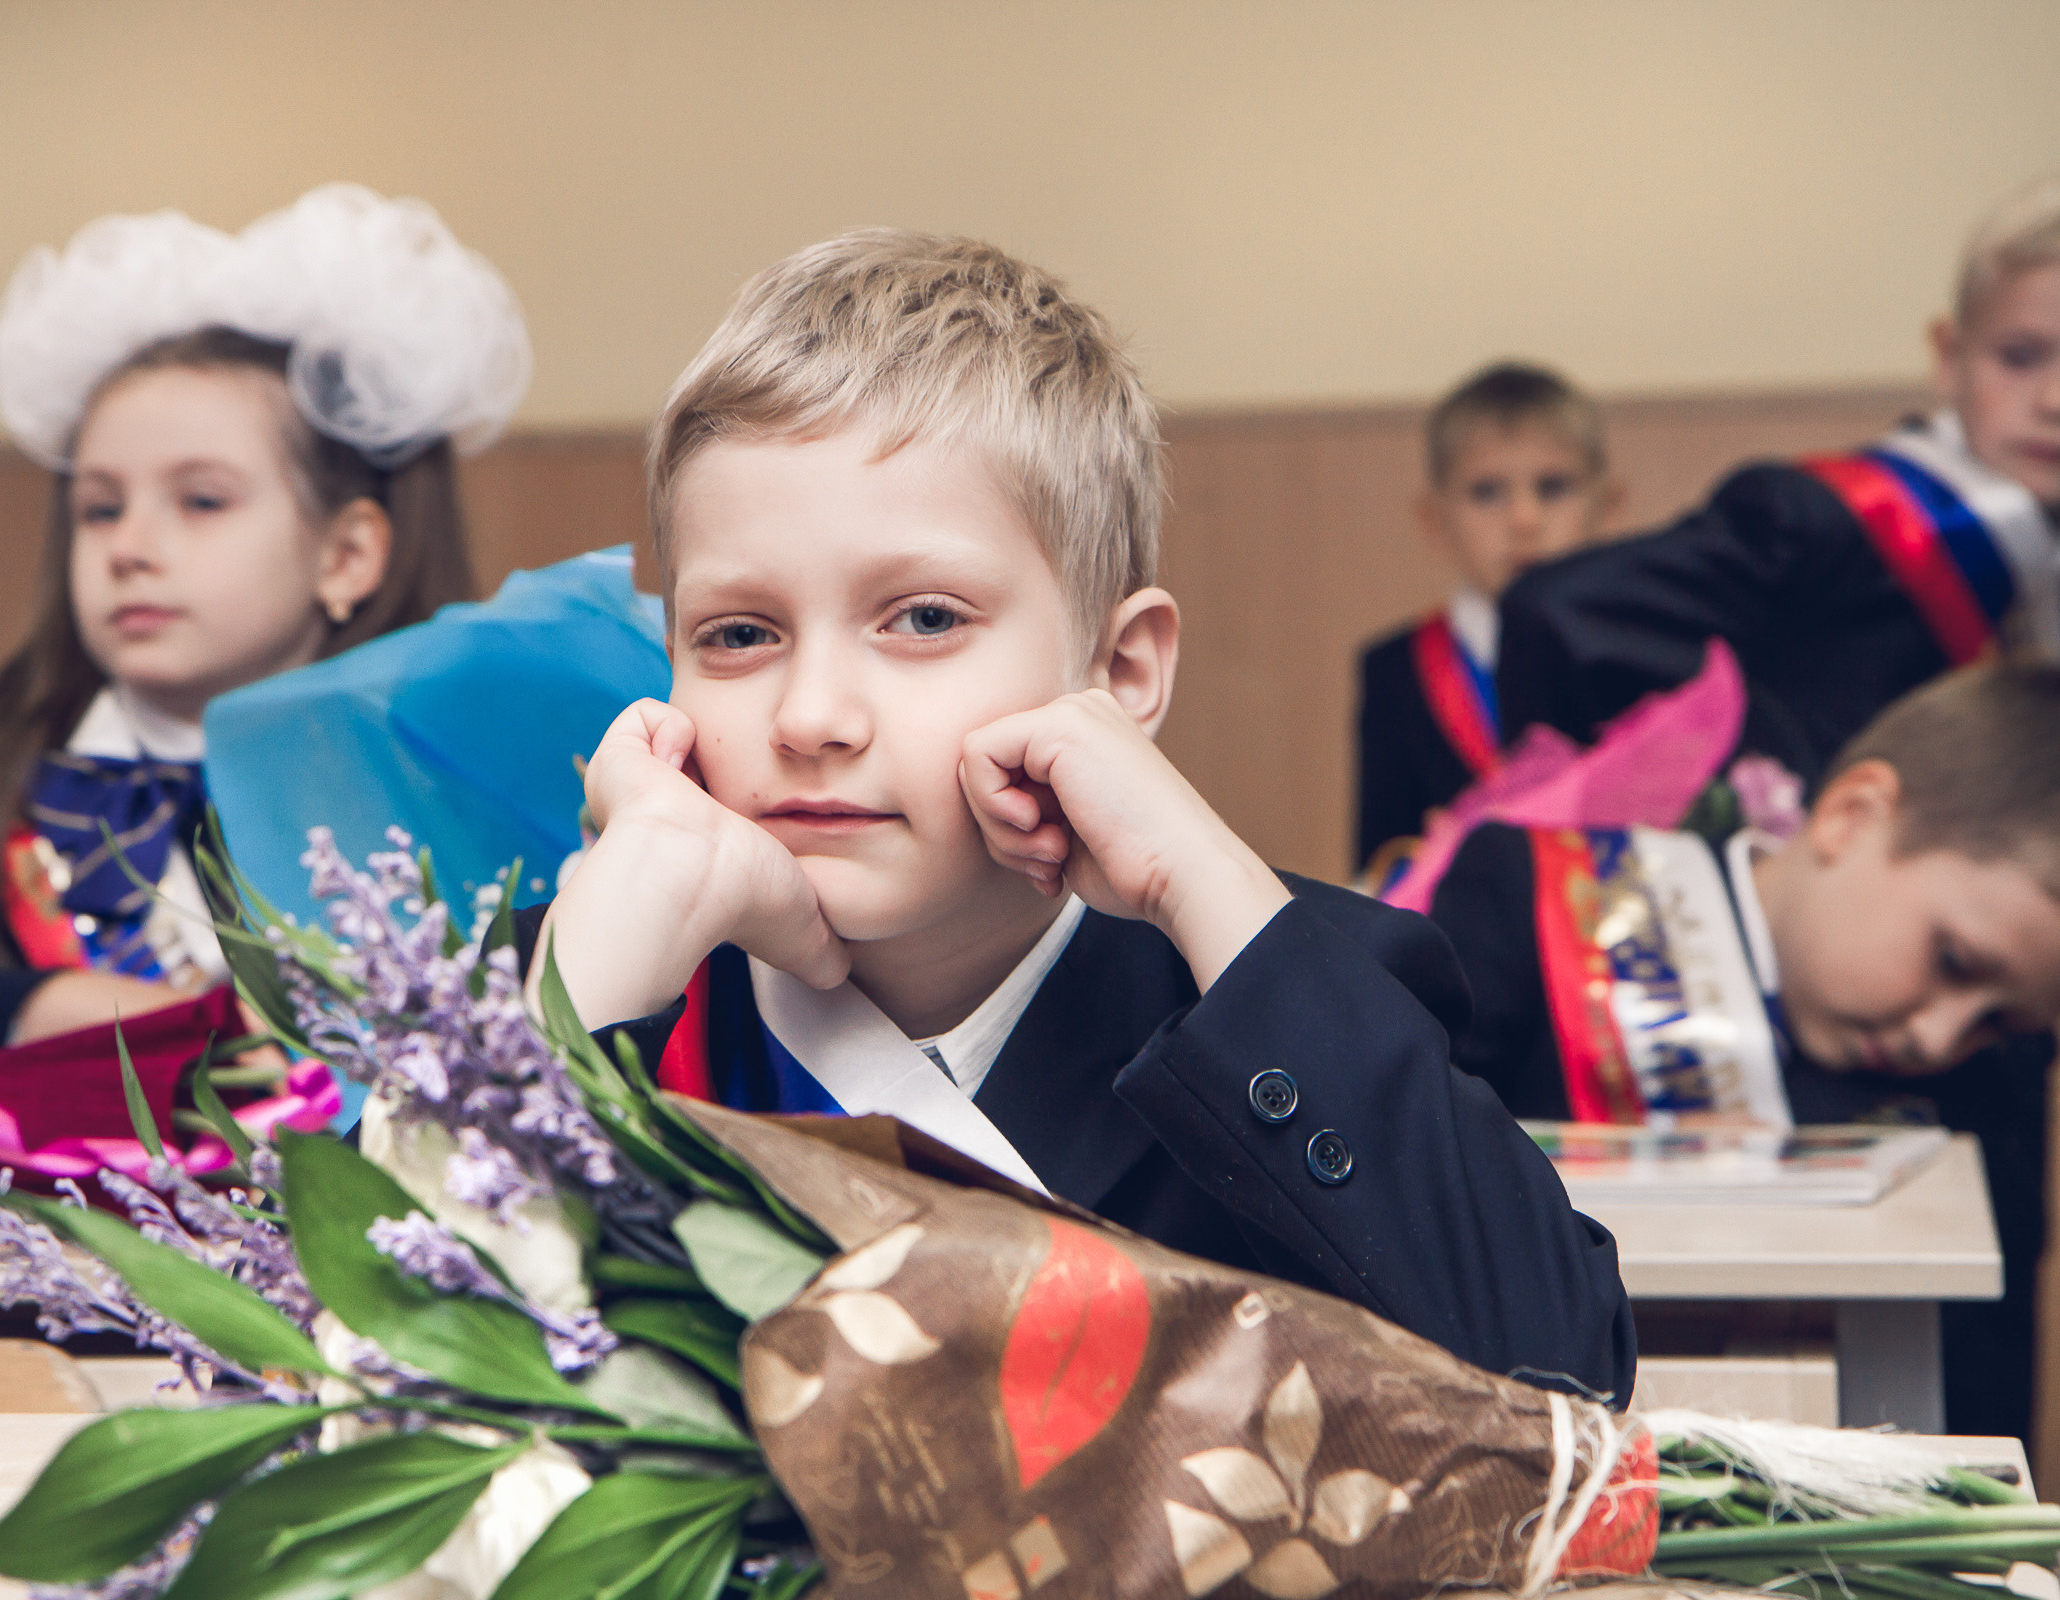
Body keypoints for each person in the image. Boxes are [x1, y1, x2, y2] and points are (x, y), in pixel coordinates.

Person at [513, 230, 1636, 1400]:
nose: (810, 716)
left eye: (924, 619)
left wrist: (1205, 878)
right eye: (739, 634)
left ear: (1123, 670)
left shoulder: (1288, 991)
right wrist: (585, 979)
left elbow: (1564, 1370)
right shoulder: (588, 979)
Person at [0, 184, 529, 1073]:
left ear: (347, 553)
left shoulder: (435, 789)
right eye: (100, 508)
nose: (129, 547)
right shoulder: (17, 770)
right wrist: (43, 1005)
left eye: (201, 501)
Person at [1426, 662, 2060, 1439]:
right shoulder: (1529, 898)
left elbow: (1976, 1418)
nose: (1940, 1037)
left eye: (1998, 1022)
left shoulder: (1982, 1092)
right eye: (1953, 961)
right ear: (1852, 816)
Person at [1496, 177, 2060, 783]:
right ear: (1949, 357)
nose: (2053, 400)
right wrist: (1774, 782)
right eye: (2019, 357)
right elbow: (1556, 613)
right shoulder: (1816, 520)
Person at [1353, 362, 1618, 868]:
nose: (1524, 520)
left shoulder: (1640, 653)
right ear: (1435, 520)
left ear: (1608, 505)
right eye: (1487, 492)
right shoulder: (1396, 667)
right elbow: (1380, 868)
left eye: (1553, 487)